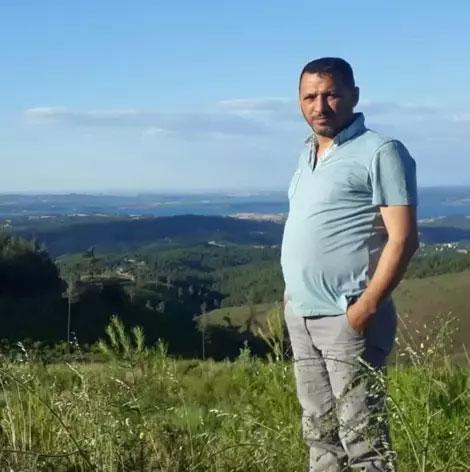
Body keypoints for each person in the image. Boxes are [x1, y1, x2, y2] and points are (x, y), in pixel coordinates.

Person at [281, 57, 419, 472]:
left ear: (354, 96)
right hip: (302, 315)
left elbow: (403, 238)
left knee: (364, 441)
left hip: (348, 316)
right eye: (309, 97)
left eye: (331, 95)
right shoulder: (307, 154)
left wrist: (365, 308)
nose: (319, 106)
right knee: (319, 435)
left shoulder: (381, 151)